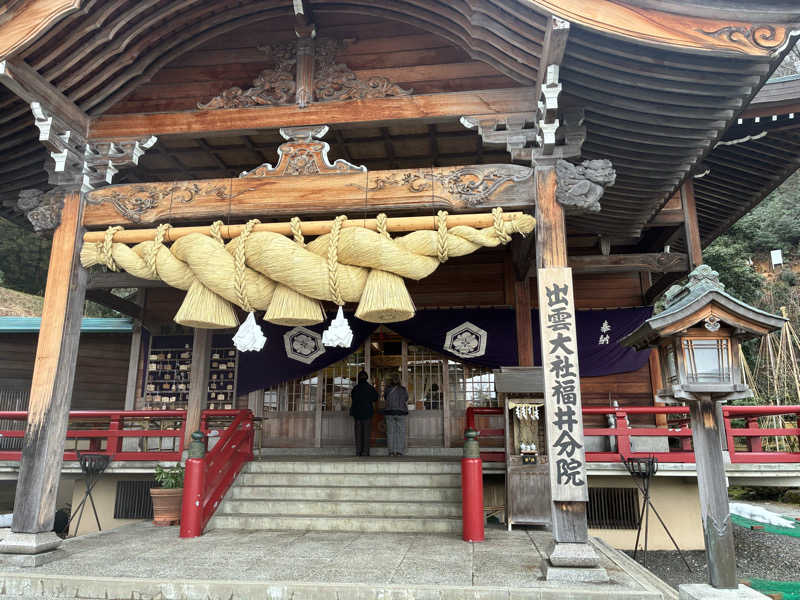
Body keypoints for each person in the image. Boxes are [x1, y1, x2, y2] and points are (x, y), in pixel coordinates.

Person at [349, 370, 378, 457]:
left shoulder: (355, 388)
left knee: (358, 433)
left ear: (358, 378)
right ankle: (365, 452)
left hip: (357, 413)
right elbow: (375, 398)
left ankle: (358, 452)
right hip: (367, 412)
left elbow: (353, 398)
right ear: (367, 378)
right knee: (366, 433)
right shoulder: (370, 388)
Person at [383, 372, 409, 456]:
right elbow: (406, 398)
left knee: (390, 432)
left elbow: (385, 397)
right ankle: (399, 451)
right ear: (399, 380)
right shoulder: (403, 389)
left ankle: (391, 451)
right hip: (400, 412)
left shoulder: (387, 389)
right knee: (400, 432)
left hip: (389, 412)